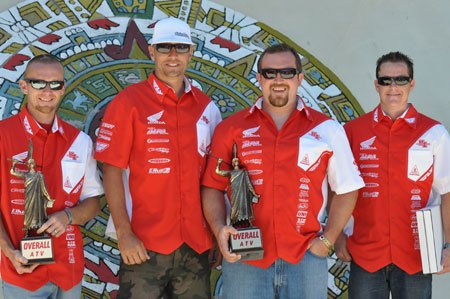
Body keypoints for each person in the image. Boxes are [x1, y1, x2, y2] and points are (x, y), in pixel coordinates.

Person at [201, 43, 365, 299]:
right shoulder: (231, 129)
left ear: (299, 78)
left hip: (306, 258)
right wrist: (219, 228)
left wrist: (328, 240)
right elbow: (212, 186)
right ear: (259, 78)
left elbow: (347, 189)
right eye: (269, 73)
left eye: (287, 72)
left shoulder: (327, 129)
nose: (278, 80)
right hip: (245, 258)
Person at [94, 17, 221, 298]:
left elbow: (214, 178)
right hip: (142, 245)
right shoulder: (128, 101)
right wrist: (124, 235)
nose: (173, 55)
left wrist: (215, 233)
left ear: (192, 51)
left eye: (180, 47)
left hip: (195, 247)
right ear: (151, 52)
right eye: (164, 47)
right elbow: (112, 170)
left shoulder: (207, 107)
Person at [337, 51, 450, 299]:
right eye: (386, 80)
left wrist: (449, 245)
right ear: (376, 85)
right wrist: (337, 235)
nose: (393, 87)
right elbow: (339, 189)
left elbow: (448, 192)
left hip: (416, 254)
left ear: (412, 83)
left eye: (400, 79)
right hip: (365, 253)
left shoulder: (434, 133)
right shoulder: (352, 131)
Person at [0, 54, 103, 298]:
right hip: (18, 271)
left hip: (67, 270)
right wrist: (7, 251)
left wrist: (68, 216)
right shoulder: (2, 136)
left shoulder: (80, 141)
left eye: (55, 84)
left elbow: (93, 202)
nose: (47, 91)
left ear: (63, 88)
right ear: (24, 86)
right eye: (38, 83)